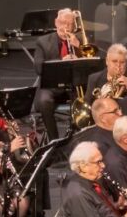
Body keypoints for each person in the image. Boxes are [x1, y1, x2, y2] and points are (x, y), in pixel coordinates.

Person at [31, 8, 89, 136]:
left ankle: (79, 135)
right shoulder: (43, 42)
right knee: (44, 101)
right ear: (56, 23)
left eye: (70, 24)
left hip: (75, 85)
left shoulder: (80, 40)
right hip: (51, 85)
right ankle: (54, 140)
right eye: (63, 23)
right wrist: (62, 62)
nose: (66, 27)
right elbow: (38, 68)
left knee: (87, 101)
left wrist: (78, 48)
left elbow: (92, 64)